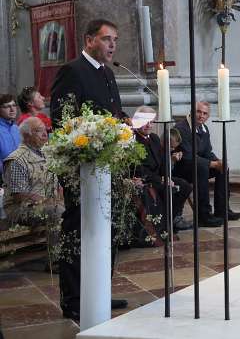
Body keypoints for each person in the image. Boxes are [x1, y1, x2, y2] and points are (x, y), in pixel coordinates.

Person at [49, 19, 128, 320]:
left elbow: (113, 113)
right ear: (89, 39)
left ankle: (99, 293)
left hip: (106, 165)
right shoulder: (72, 71)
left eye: (115, 40)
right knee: (78, 231)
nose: (112, 45)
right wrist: (89, 138)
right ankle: (73, 299)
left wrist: (127, 124)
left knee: (105, 229)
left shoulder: (108, 73)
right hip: (80, 169)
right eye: (107, 39)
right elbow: (62, 119)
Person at [174, 100, 240, 227]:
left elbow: (207, 152)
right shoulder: (181, 128)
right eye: (198, 112)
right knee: (202, 168)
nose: (201, 116)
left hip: (198, 166)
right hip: (182, 168)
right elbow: (188, 156)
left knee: (222, 168)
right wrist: (212, 164)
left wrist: (218, 162)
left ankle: (222, 210)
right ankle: (203, 215)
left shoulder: (204, 129)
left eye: (205, 113)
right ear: (192, 112)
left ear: (208, 116)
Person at [133, 107, 192, 238]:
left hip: (159, 178)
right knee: (167, 190)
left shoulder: (154, 138)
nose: (149, 125)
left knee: (185, 186)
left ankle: (168, 221)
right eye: (145, 121)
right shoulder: (132, 139)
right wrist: (160, 180)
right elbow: (138, 168)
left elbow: (162, 160)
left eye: (151, 121)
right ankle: (162, 225)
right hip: (145, 181)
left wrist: (167, 176)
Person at [2, 117, 61, 247]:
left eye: (45, 129)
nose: (45, 134)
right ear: (26, 136)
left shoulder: (46, 154)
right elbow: (20, 196)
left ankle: (75, 255)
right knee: (56, 211)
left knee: (73, 206)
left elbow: (56, 183)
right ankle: (57, 260)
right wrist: (48, 201)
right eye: (38, 131)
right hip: (20, 209)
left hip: (45, 203)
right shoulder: (16, 159)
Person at [0, 94, 21, 177]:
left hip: (20, 178)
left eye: (13, 105)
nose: (12, 109)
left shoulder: (16, 128)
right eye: (7, 106)